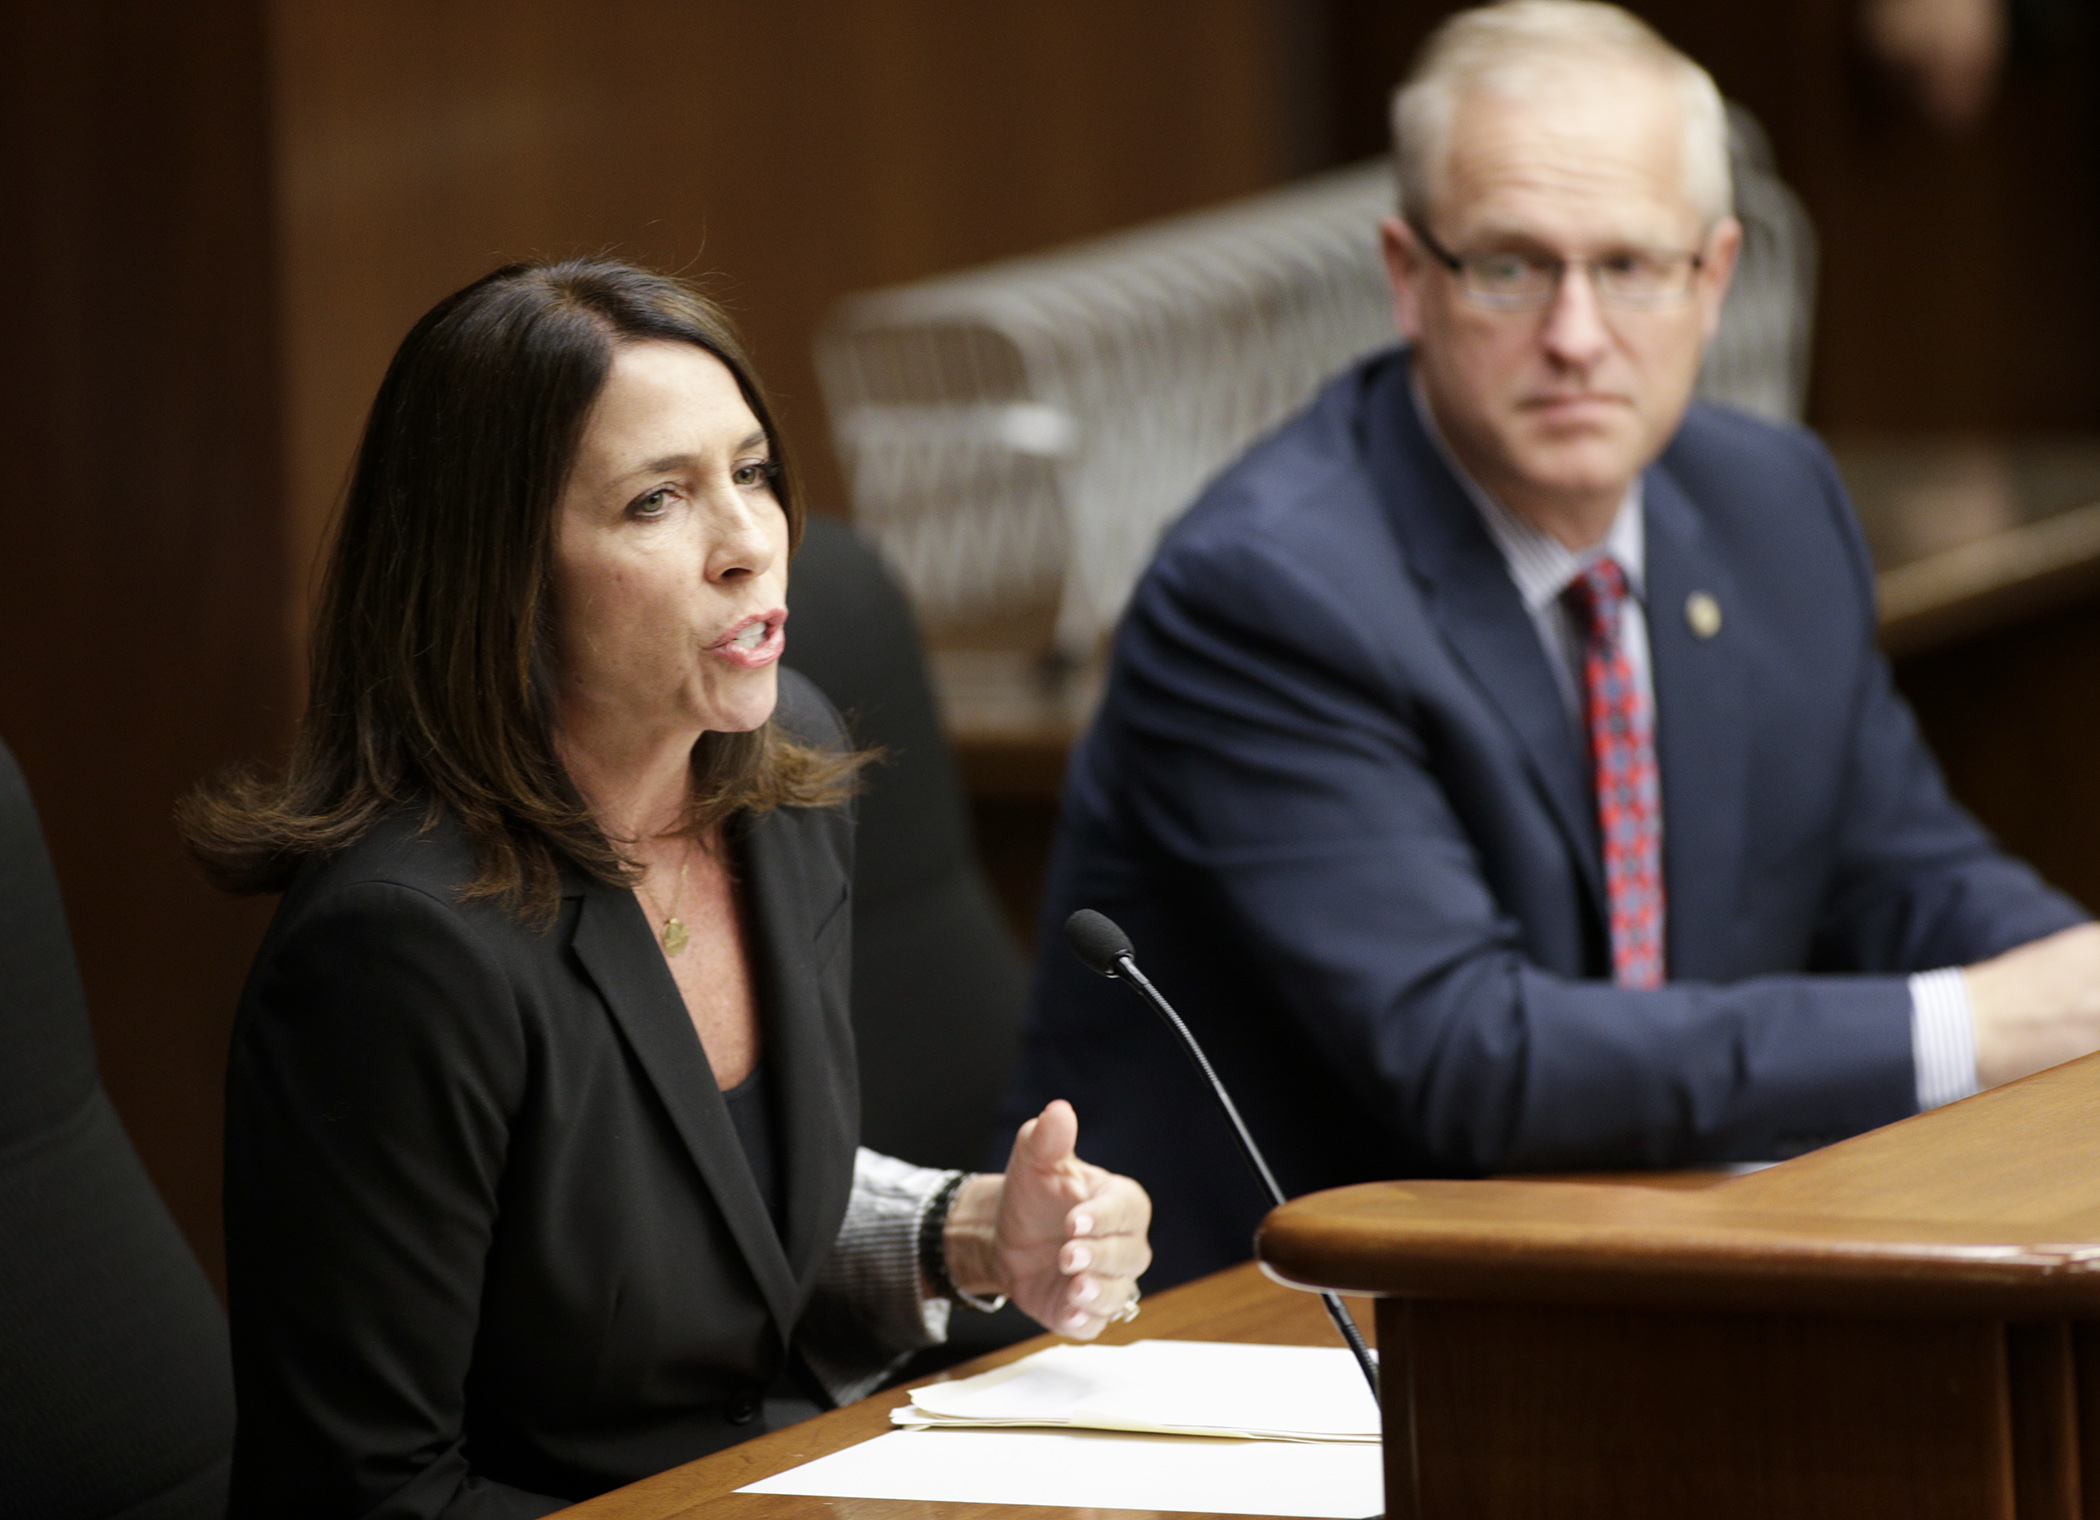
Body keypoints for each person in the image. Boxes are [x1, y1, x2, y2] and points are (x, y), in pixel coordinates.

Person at [1004, 0, 2100, 1292]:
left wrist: (2073, 997)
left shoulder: (1770, 507)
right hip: (1288, 1334)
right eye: (1515, 268)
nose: (1577, 337)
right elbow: (1476, 1062)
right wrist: (1981, 1026)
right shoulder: (1270, 591)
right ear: (1410, 278)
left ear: (1715, 278)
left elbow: (1903, 875)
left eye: (1630, 267)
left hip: (1647, 1268)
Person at [185, 260, 1150, 1518]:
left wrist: (973, 1236)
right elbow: (364, 1494)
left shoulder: (776, 781)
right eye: (657, 501)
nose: (751, 544)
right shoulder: (399, 947)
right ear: (502, 574)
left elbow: (707, 1223)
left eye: (751, 472)